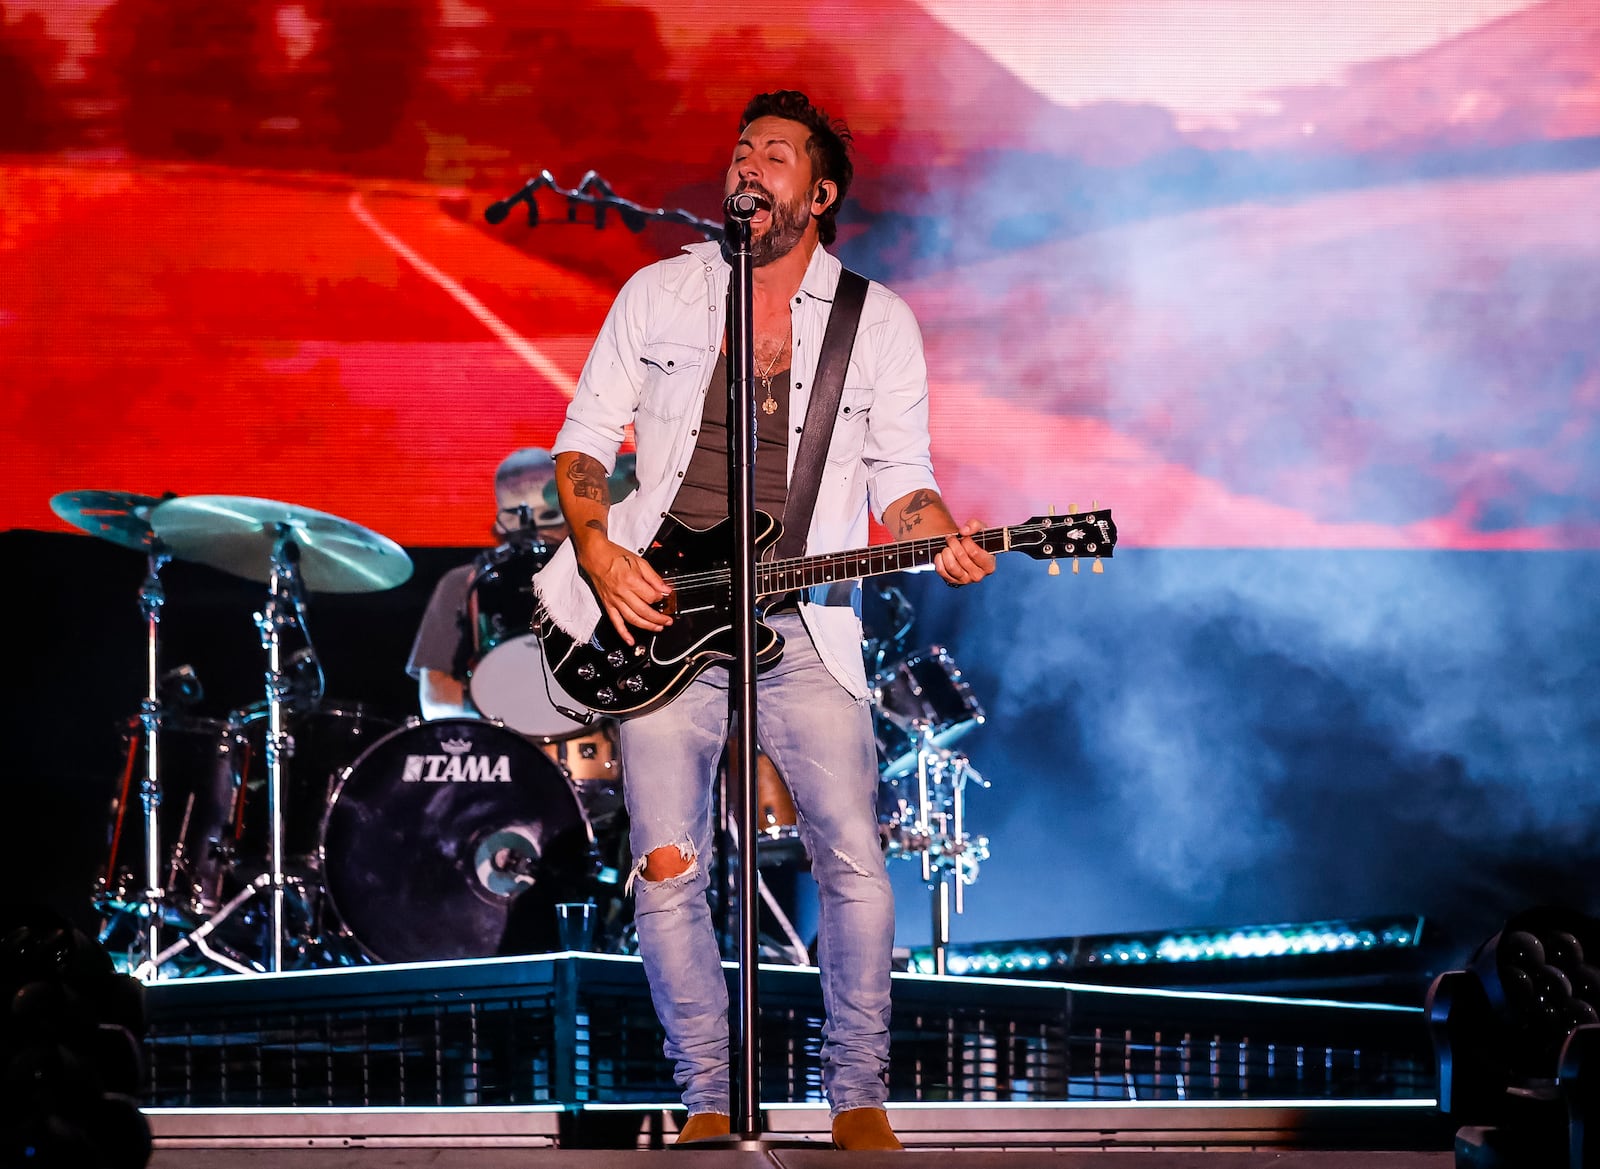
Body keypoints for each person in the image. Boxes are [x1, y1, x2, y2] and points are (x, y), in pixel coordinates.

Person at [534, 90, 995, 1150]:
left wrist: (941, 535)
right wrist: (601, 553)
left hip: (804, 621)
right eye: (742, 149)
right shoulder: (658, 293)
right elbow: (583, 439)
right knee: (668, 859)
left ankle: (857, 1092)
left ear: (819, 193)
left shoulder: (875, 321)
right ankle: (705, 1091)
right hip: (657, 614)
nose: (749, 165)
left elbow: (904, 482)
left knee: (853, 855)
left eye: (776, 155)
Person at [405, 447, 566, 719]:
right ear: (501, 521)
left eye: (548, 514)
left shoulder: (606, 574)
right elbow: (436, 692)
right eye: (518, 515)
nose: (535, 529)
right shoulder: (464, 582)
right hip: (499, 744)